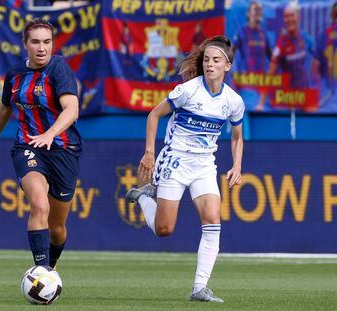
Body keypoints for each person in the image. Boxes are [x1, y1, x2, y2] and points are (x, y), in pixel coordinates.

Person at [126, 36, 244, 302]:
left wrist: (237, 165)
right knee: (164, 229)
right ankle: (145, 196)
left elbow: (237, 136)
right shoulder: (187, 90)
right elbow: (154, 115)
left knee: (213, 219)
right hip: (175, 160)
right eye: (206, 60)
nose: (210, 65)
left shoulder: (233, 101)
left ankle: (199, 288)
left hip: (204, 164)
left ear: (227, 65)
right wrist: (149, 152)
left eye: (216, 60)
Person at [0, 18, 82, 269]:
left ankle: (50, 268)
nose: (41, 48)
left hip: (63, 151)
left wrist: (50, 134)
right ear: (25, 44)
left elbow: (72, 109)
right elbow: (3, 107)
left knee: (57, 229)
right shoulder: (15, 74)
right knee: (38, 204)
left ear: (53, 44)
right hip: (28, 146)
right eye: (35, 42)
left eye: (47, 42)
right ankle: (41, 272)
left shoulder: (59, 70)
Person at [256, 2, 315, 110]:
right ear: (284, 20)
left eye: (292, 15)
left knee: (314, 121)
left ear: (297, 17)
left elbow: (319, 58)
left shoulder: (305, 38)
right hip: (289, 97)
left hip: (305, 94)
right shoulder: (281, 43)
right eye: (287, 16)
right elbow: (270, 74)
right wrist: (261, 103)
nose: (290, 19)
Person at [233, 1, 271, 72]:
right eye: (256, 9)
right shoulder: (242, 32)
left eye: (260, 10)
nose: (259, 12)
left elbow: (271, 57)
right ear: (248, 14)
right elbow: (231, 53)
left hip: (260, 79)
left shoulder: (264, 34)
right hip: (245, 79)